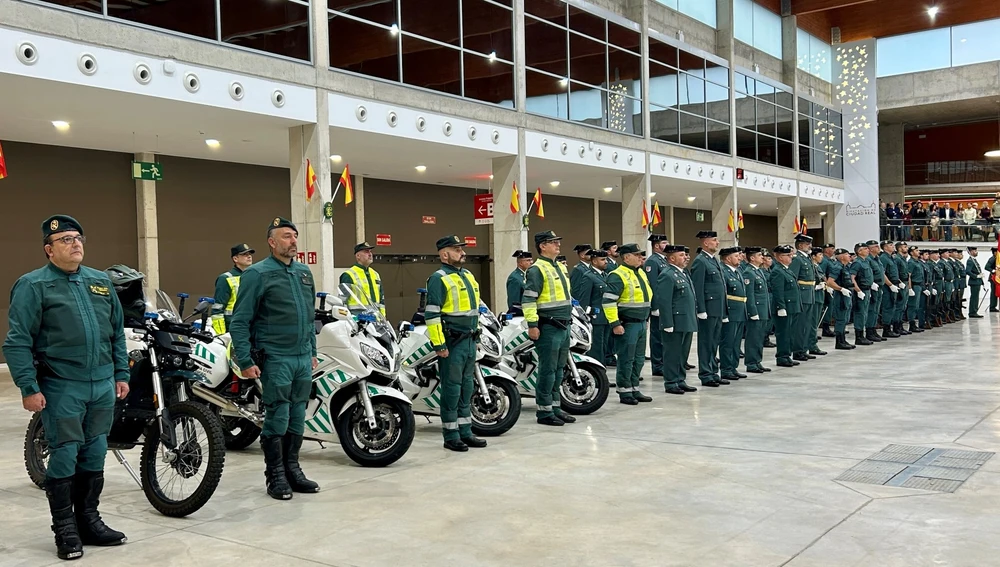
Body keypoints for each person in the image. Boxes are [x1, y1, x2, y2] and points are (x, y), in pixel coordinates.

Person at [3, 215, 129, 560]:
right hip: (62, 385)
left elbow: (116, 332)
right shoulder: (33, 285)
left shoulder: (100, 281)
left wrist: (121, 374)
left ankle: (89, 521)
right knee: (65, 453)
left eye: (79, 238)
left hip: (102, 383)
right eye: (66, 240)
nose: (76, 244)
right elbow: (16, 342)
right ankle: (66, 529)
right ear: (49, 249)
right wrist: (28, 387)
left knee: (95, 451)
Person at [230, 217, 320, 499]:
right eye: (286, 236)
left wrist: (313, 352)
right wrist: (245, 360)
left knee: (297, 416)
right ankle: (276, 476)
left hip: (302, 357)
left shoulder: (304, 273)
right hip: (276, 356)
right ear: (271, 242)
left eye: (294, 236)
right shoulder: (257, 274)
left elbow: (309, 317)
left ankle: (293, 469)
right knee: (278, 415)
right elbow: (240, 320)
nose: (293, 241)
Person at [423, 235, 488, 450]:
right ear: (444, 254)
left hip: (469, 340)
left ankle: (466, 431)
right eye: (457, 249)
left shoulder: (468, 275)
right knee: (452, 389)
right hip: (452, 342)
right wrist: (439, 345)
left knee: (467, 387)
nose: (463, 252)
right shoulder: (438, 278)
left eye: (462, 249)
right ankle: (451, 436)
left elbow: (474, 311)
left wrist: (477, 337)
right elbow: (431, 316)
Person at [523, 231, 577, 425]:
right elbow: (528, 299)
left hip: (564, 325)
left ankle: (555, 407)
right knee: (548, 370)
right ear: (542, 246)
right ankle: (544, 412)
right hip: (549, 326)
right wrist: (532, 325)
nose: (557, 245)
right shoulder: (537, 269)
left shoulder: (560, 268)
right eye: (552, 242)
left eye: (557, 241)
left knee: (559, 369)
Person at [603, 243, 654, 403]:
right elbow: (608, 302)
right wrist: (615, 323)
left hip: (641, 323)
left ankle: (634, 388)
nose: (640, 258)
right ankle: (624, 391)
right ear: (626, 257)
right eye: (637, 255)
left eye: (641, 255)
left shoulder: (640, 273)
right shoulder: (617, 275)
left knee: (639, 358)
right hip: (627, 323)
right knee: (626, 358)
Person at [654, 245, 699, 394]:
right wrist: (667, 322)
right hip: (675, 321)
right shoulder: (667, 274)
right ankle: (671, 382)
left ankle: (680, 379)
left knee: (682, 353)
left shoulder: (683, 273)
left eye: (685, 255)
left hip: (686, 320)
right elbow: (664, 301)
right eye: (681, 255)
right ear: (672, 258)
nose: (685, 257)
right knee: (672, 353)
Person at [690, 230, 729, 386]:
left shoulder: (714, 261)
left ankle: (713, 372)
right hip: (708, 309)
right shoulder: (700, 261)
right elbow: (697, 287)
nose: (717, 242)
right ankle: (706, 374)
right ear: (706, 243)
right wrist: (701, 309)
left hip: (717, 308)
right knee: (706, 343)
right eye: (714, 240)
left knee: (714, 342)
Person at [574, 249, 610, 365]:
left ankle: (603, 373)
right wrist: (590, 314)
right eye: (603, 259)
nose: (606, 262)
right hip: (596, 318)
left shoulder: (605, 275)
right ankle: (597, 375)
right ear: (594, 261)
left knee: (604, 347)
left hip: (607, 317)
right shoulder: (589, 276)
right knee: (596, 349)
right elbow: (583, 301)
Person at [719, 247, 748, 381]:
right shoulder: (724, 272)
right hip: (730, 310)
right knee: (728, 341)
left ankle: (733, 367)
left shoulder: (737, 272)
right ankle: (726, 369)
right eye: (736, 256)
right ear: (728, 258)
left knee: (736, 342)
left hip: (740, 310)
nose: (740, 258)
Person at [212, 243, 255, 333]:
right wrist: (221, 335)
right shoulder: (225, 278)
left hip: (252, 328)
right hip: (232, 329)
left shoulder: (254, 277)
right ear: (235, 259)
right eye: (244, 254)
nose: (249, 257)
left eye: (250, 254)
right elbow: (217, 310)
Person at [769, 245, 800, 367]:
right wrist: (781, 307)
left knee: (790, 333)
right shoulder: (777, 271)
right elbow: (778, 291)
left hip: (792, 306)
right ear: (780, 257)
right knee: (784, 333)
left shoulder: (786, 269)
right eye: (788, 255)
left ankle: (787, 355)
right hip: (784, 307)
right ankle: (782, 357)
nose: (790, 257)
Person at [789, 234, 819, 360]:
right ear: (800, 245)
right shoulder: (797, 259)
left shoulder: (806, 258)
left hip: (810, 293)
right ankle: (798, 350)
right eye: (807, 244)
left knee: (807, 323)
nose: (810, 246)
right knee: (800, 325)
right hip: (802, 294)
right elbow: (793, 278)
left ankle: (804, 348)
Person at [741, 247, 771, 374]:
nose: (762, 257)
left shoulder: (758, 271)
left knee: (759, 337)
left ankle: (757, 361)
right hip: (756, 311)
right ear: (752, 258)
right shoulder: (749, 272)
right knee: (753, 337)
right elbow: (750, 294)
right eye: (759, 255)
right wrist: (752, 311)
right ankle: (751, 363)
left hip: (763, 309)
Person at [644, 234, 670, 377]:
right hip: (658, 305)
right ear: (656, 245)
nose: (667, 244)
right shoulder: (652, 262)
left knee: (665, 336)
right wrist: (655, 306)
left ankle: (664, 362)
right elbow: (652, 285)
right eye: (664, 242)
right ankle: (658, 364)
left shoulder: (664, 261)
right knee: (657, 336)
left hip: (666, 305)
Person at [340, 241, 385, 316]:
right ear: (358, 256)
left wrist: (382, 317)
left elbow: (381, 301)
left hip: (376, 320)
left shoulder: (375, 274)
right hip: (358, 320)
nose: (370, 254)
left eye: (370, 251)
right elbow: (342, 301)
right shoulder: (348, 275)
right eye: (366, 252)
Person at [824, 248, 856, 350]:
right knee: (841, 319)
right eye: (847, 254)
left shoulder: (845, 267)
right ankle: (839, 341)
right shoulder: (837, 267)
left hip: (846, 295)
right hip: (840, 296)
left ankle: (843, 340)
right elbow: (830, 282)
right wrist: (841, 289)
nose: (849, 256)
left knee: (845, 318)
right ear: (841, 256)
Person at [850, 243, 874, 346]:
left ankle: (862, 335)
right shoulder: (857, 263)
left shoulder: (866, 262)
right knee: (860, 313)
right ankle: (858, 336)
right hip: (861, 290)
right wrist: (858, 290)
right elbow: (852, 278)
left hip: (867, 290)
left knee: (864, 313)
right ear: (859, 251)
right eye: (865, 249)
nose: (868, 250)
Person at [878, 241, 903, 339]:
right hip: (887, 286)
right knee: (887, 307)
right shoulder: (884, 258)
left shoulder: (891, 257)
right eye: (890, 245)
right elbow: (882, 274)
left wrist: (898, 282)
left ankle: (890, 328)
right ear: (884, 248)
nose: (893, 247)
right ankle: (886, 329)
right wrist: (890, 285)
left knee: (892, 306)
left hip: (894, 284)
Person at [864, 240, 887, 342]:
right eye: (876, 246)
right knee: (871, 310)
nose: (879, 248)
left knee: (876, 310)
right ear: (871, 248)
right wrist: (872, 283)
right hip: (872, 287)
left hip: (879, 287)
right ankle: (869, 331)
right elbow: (867, 274)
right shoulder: (868, 259)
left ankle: (873, 330)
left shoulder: (877, 259)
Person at [808, 247, 828, 355]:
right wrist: (817, 286)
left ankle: (813, 343)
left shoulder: (817, 267)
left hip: (820, 296)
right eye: (819, 255)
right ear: (813, 256)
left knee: (815, 322)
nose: (822, 257)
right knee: (812, 323)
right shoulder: (811, 267)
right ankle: (812, 345)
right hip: (814, 296)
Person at [820, 244, 837, 338]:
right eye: (832, 248)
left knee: (831, 307)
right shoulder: (824, 260)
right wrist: (827, 285)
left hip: (832, 286)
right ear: (826, 250)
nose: (834, 250)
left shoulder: (831, 260)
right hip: (827, 287)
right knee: (828, 307)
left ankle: (827, 326)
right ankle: (825, 327)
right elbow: (822, 273)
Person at [986, 247, 998, 313]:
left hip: (997, 278)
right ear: (995, 252)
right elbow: (987, 267)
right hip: (993, 278)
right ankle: (992, 307)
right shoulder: (992, 259)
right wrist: (993, 271)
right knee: (993, 293)